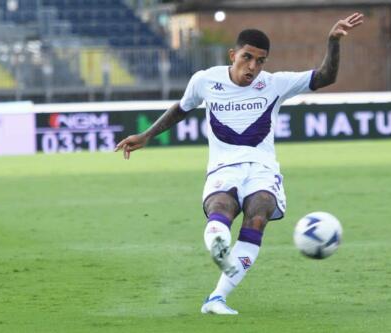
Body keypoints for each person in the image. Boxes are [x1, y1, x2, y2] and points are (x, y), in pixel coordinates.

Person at [115, 13, 364, 315]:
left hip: (262, 170)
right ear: (233, 55)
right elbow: (181, 109)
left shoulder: (275, 84)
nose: (253, 67)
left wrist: (333, 42)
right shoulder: (205, 81)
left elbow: (325, 77)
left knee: (258, 214)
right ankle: (219, 246)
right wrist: (146, 135)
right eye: (247, 58)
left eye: (261, 61)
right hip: (224, 169)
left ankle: (216, 299)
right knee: (221, 208)